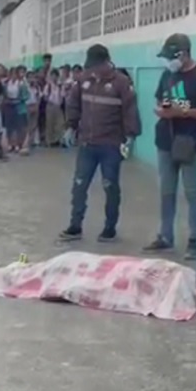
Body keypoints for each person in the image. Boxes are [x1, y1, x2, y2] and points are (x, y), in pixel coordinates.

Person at [144, 33, 196, 260]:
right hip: (166, 138)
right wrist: (164, 109)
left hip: (191, 141)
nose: (168, 63)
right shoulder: (168, 74)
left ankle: (195, 241)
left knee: (191, 191)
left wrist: (183, 112)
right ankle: (165, 236)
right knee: (166, 190)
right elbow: (161, 99)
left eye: (171, 58)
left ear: (184, 55)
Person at [58, 45, 140, 243]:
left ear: (106, 62)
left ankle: (109, 228)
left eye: (95, 66)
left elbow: (130, 111)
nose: (92, 71)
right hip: (87, 144)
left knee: (110, 186)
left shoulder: (121, 83)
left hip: (111, 146)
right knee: (79, 185)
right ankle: (75, 226)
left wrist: (130, 137)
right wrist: (71, 126)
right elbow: (73, 104)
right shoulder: (84, 81)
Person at [44, 68, 66, 146]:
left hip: (58, 106)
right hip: (50, 106)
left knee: (60, 124)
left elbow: (63, 96)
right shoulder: (48, 86)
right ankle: (50, 141)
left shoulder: (60, 86)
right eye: (52, 76)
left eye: (56, 76)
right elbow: (45, 96)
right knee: (49, 124)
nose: (54, 78)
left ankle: (57, 139)